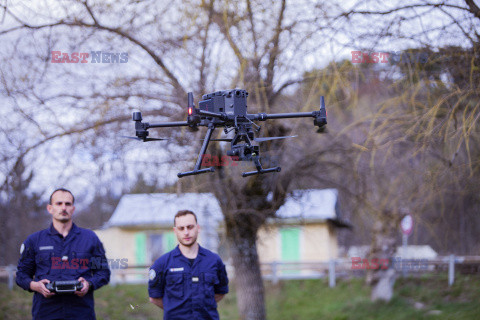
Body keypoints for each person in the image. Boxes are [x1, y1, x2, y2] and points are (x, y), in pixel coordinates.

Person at [16, 188, 111, 320]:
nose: (63, 208)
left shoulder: (90, 238)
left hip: (81, 313)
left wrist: (88, 284)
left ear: (73, 208)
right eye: (59, 203)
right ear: (50, 208)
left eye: (68, 204)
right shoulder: (34, 240)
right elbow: (21, 275)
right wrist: (35, 286)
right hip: (45, 313)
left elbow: (103, 273)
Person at [148, 210, 229, 320]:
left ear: (198, 228)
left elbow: (221, 292)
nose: (186, 232)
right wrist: (173, 309)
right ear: (175, 231)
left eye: (190, 227)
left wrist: (204, 306)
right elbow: (154, 297)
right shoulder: (161, 264)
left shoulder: (214, 261)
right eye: (181, 228)